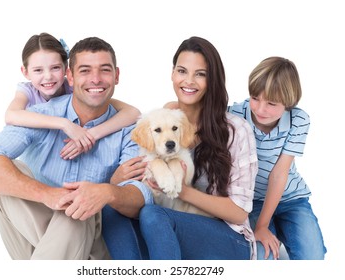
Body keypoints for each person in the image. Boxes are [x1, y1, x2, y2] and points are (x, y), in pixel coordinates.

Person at [0, 36, 152, 260]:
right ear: (70, 77)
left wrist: (105, 191)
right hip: (44, 234)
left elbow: (138, 197)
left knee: (80, 207)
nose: (95, 79)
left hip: (94, 243)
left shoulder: (130, 131)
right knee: (8, 169)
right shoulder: (42, 115)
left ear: (116, 76)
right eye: (85, 70)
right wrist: (49, 195)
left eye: (104, 70)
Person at [103, 36, 259, 260]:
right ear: (172, 73)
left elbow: (238, 212)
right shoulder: (166, 118)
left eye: (200, 74)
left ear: (212, 80)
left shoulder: (237, 130)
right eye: (182, 71)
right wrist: (117, 180)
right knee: (113, 208)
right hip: (171, 225)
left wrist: (183, 191)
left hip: (227, 238)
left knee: (153, 215)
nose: (189, 81)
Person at [228, 56, 327, 260]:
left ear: (288, 103)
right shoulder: (236, 113)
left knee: (313, 257)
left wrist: (263, 226)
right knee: (262, 255)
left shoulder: (299, 120)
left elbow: (279, 174)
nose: (260, 109)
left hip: (290, 198)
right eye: (255, 98)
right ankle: (275, 230)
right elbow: (198, 115)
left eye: (271, 103)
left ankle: (280, 227)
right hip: (251, 200)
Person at [5, 32, 140, 159]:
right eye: (38, 70)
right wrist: (65, 124)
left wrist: (92, 134)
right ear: (26, 72)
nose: (48, 77)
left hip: (68, 147)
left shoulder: (76, 87)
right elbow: (11, 115)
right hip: (36, 151)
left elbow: (133, 112)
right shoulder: (27, 90)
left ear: (66, 70)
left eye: (55, 68)